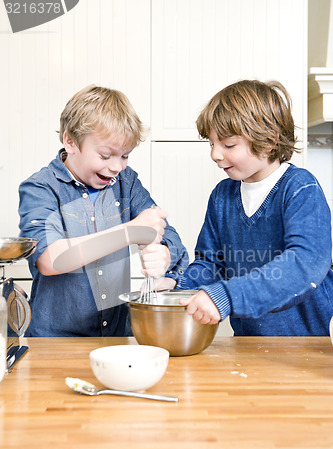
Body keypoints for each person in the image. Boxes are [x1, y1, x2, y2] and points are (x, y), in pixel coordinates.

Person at [163, 79, 333, 336]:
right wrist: (179, 286)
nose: (215, 155)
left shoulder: (300, 188)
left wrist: (227, 296)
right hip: (247, 341)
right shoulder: (223, 196)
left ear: (268, 142)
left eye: (228, 145)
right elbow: (212, 263)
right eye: (212, 143)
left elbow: (304, 264)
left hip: (305, 344)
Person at [18, 85, 188, 337]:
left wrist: (164, 253)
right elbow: (48, 259)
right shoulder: (41, 188)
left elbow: (163, 230)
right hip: (54, 341)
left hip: (116, 337)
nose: (117, 166)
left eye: (125, 156)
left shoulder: (126, 183)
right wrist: (130, 233)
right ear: (70, 141)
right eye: (105, 155)